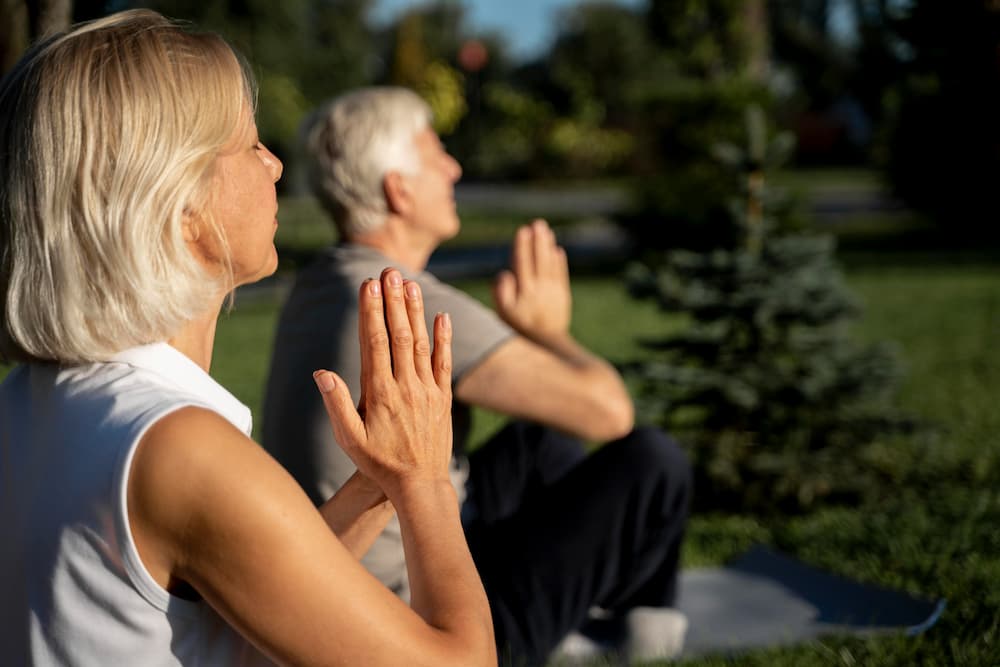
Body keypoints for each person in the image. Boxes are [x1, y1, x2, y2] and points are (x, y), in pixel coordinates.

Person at [0, 13, 495, 667]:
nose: (276, 163)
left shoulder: (30, 402)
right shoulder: (178, 447)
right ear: (179, 202)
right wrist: (426, 480)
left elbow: (244, 621)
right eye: (249, 144)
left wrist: (375, 485)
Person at [263, 86, 693, 665]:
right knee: (653, 460)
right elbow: (610, 413)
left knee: (546, 442)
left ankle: (575, 609)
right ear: (400, 188)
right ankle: (639, 632)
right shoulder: (403, 298)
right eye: (436, 152)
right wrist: (548, 331)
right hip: (416, 612)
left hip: (351, 575)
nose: (454, 167)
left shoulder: (322, 284)